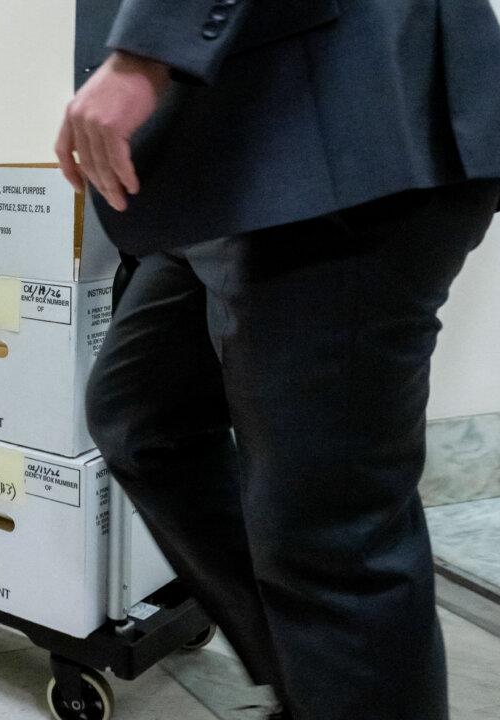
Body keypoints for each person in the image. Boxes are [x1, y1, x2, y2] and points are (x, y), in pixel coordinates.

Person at [60, 3, 500, 720]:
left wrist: (143, 55)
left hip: (339, 130)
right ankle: (321, 687)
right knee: (143, 418)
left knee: (331, 535)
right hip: (240, 151)